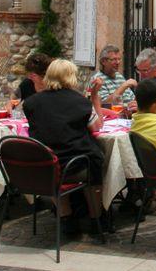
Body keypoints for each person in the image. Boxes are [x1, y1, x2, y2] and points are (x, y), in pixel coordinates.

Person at [22, 58, 105, 231]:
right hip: (75, 165)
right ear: (71, 77)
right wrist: (95, 96)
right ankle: (97, 217)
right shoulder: (80, 102)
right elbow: (97, 126)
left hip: (44, 165)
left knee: (54, 158)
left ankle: (65, 217)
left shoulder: (31, 103)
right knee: (97, 159)